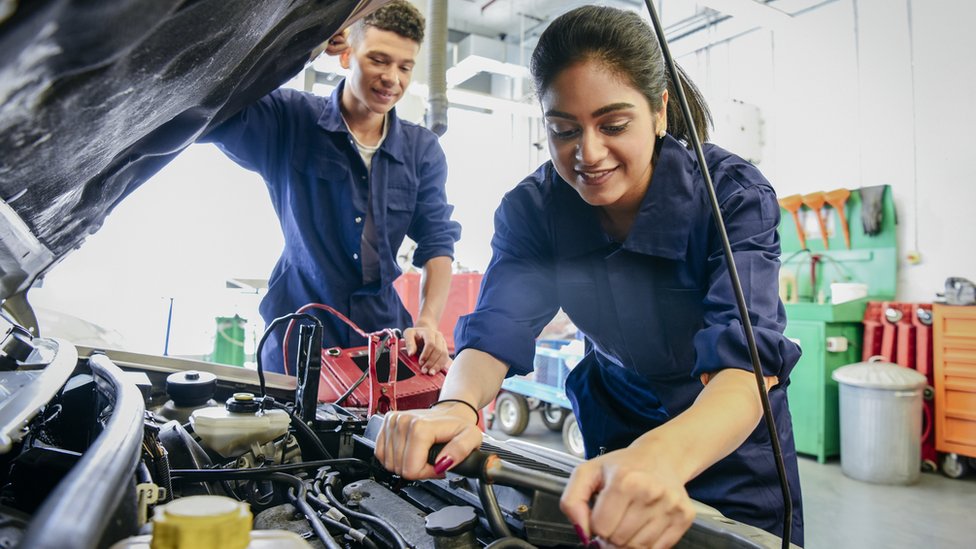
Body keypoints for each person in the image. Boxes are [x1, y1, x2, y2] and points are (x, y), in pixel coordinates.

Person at [374, 5, 803, 548]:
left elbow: (746, 369)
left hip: (729, 440)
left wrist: (657, 459)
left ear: (660, 111)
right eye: (564, 130)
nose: (589, 153)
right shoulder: (534, 211)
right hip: (618, 422)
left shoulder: (732, 198)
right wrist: (456, 406)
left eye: (614, 125)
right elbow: (497, 330)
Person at [202, 1, 461, 374]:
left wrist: (427, 322)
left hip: (381, 342)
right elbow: (212, 106)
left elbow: (437, 242)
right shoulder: (290, 120)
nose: (393, 78)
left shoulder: (422, 151)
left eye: (405, 67)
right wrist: (303, 45)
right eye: (378, 59)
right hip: (298, 340)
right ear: (345, 56)